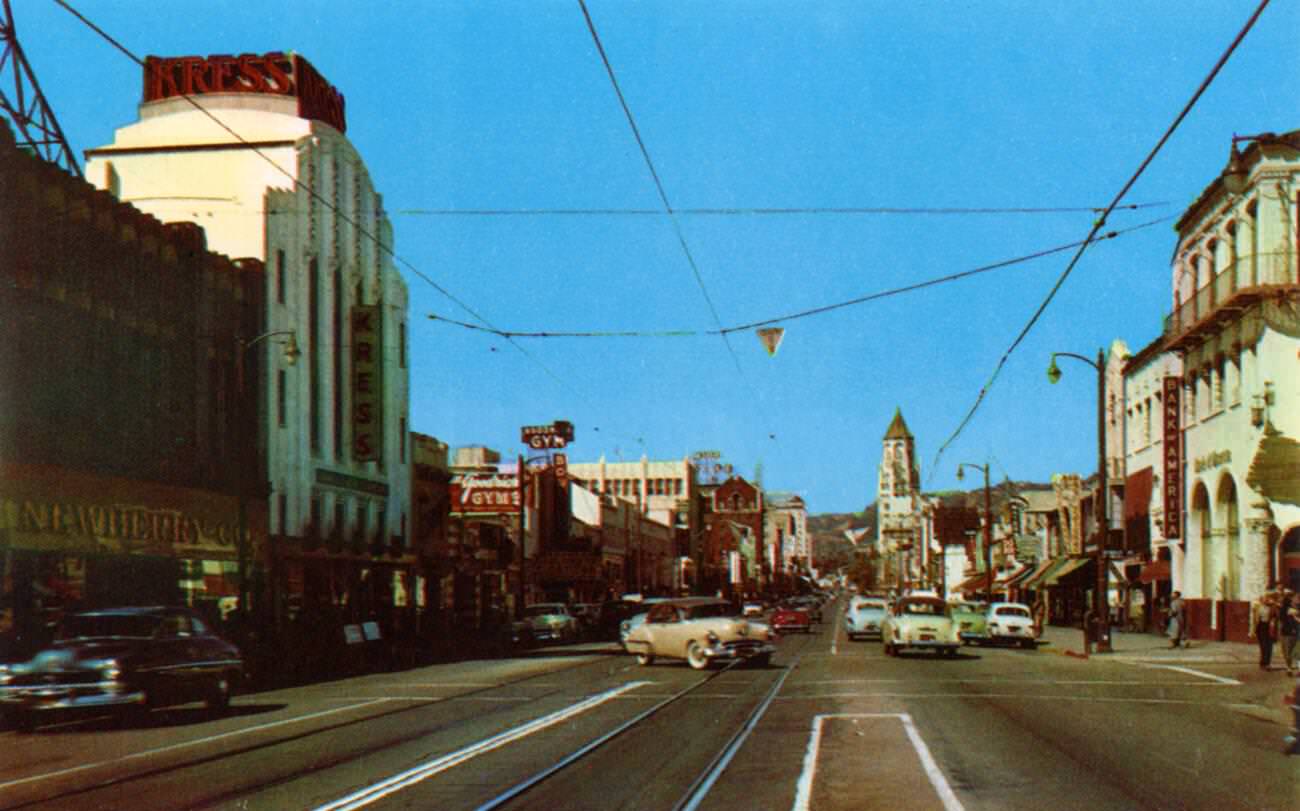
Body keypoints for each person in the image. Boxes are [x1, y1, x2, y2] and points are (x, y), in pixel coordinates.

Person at [1249, 590, 1279, 670]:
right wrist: (1252, 630)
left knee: (1269, 645)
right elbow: (1254, 620)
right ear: (1262, 599)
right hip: (1260, 627)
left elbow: (1276, 616)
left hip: (1269, 627)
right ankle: (1263, 663)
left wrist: (1275, 605)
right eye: (1265, 598)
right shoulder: (1257, 607)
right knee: (1263, 645)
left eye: (1268, 598)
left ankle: (1267, 663)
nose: (1267, 599)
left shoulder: (1273, 607)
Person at [1278, 589, 1298, 676]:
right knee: (1288, 651)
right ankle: (1289, 668)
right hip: (1288, 632)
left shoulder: (1293, 608)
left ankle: (1290, 668)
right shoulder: (1287, 609)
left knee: (1292, 651)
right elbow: (1282, 619)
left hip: (1291, 632)